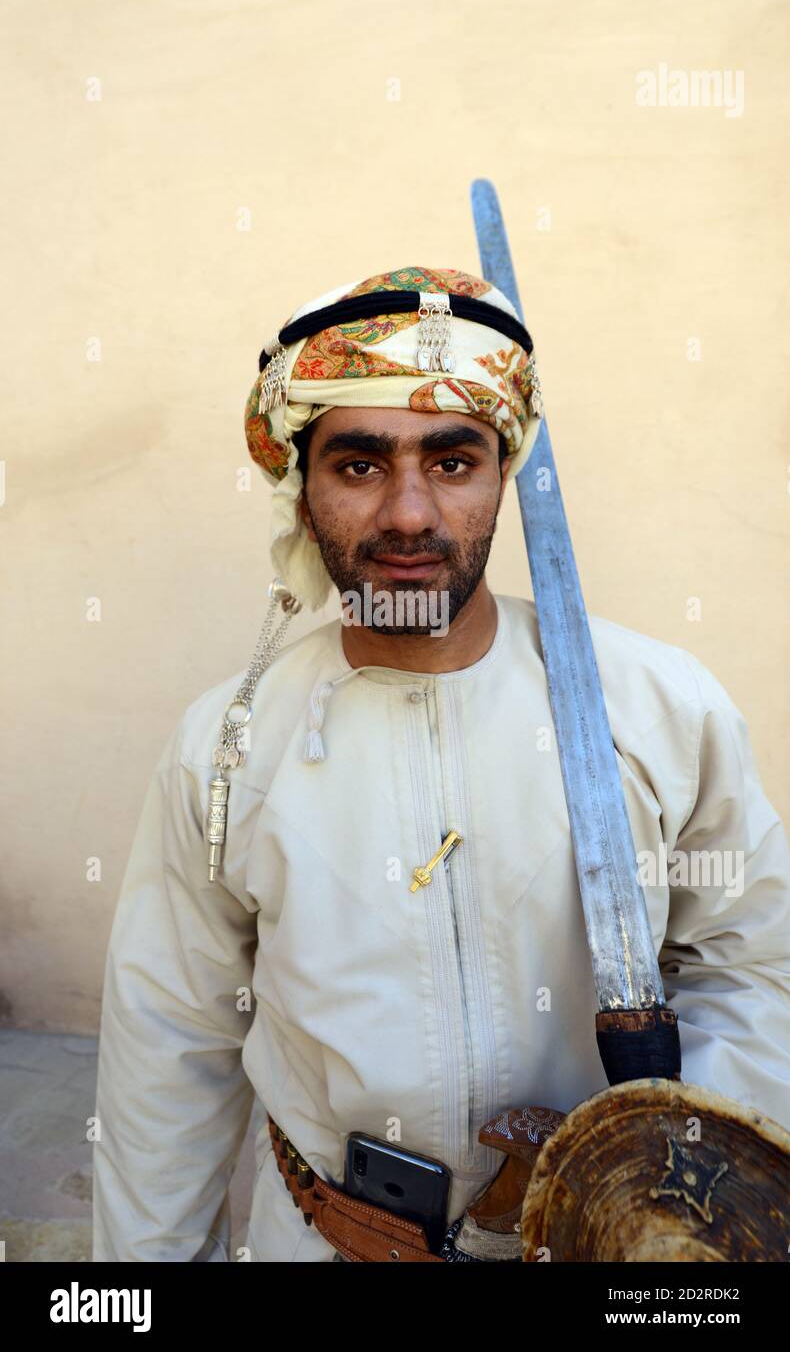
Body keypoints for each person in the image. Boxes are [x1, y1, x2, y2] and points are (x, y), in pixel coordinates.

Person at [91, 266, 790, 1263]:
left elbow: (749, 962)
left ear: (504, 473)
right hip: (324, 1237)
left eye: (452, 461)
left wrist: (675, 1200)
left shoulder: (658, 705)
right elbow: (170, 1047)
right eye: (361, 465)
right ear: (301, 486)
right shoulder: (228, 747)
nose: (410, 514)